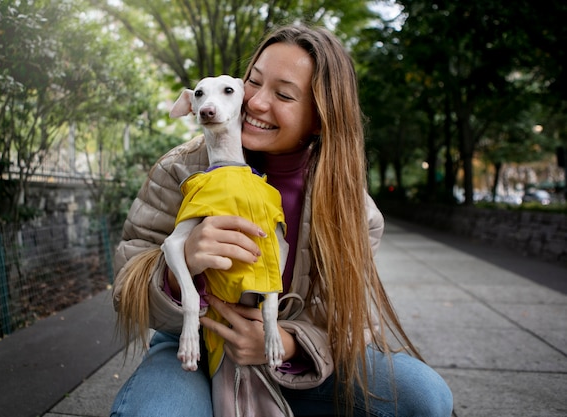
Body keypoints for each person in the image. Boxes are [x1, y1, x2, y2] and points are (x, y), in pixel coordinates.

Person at [110, 24, 453, 417]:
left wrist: (286, 343)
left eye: (284, 94)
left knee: (425, 397)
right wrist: (181, 263)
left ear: (321, 118)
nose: (255, 102)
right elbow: (126, 283)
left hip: (291, 352)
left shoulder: (352, 208)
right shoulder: (181, 169)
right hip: (194, 346)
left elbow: (347, 315)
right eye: (253, 82)